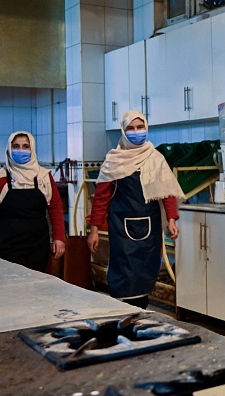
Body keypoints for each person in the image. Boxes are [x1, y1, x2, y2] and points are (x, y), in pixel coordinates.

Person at [87, 110, 185, 309]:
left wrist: (172, 220)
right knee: (124, 271)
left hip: (151, 226)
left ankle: (141, 314)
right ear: (123, 131)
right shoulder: (114, 160)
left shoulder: (155, 158)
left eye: (140, 127)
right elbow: (101, 197)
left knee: (146, 270)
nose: (136, 132)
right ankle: (124, 314)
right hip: (121, 228)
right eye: (131, 128)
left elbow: (166, 192)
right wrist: (94, 229)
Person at [0, 131, 66, 271]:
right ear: (9, 149)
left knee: (38, 286)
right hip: (6, 244)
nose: (21, 150)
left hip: (37, 243)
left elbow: (55, 208)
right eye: (16, 146)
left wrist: (59, 237)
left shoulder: (44, 177)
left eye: (25, 146)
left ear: (32, 149)